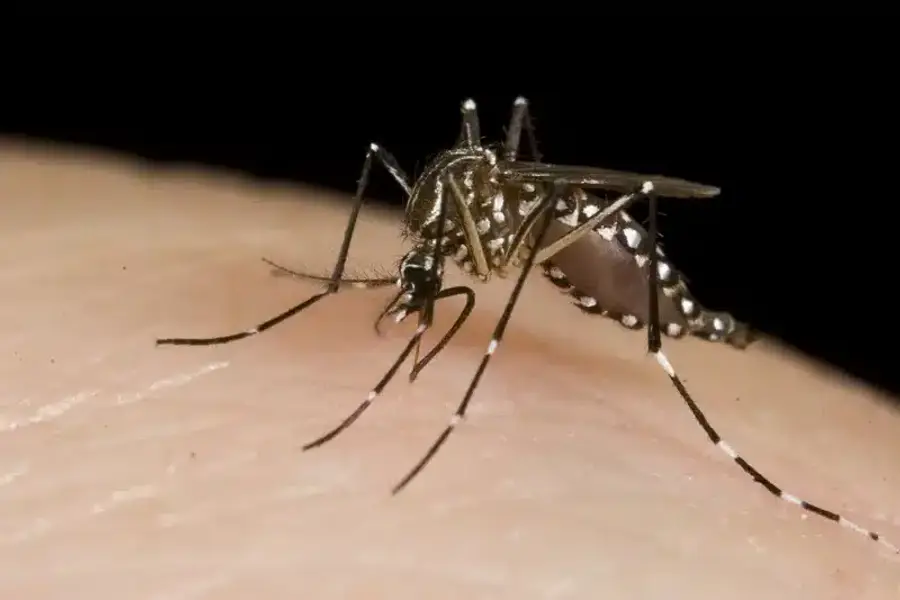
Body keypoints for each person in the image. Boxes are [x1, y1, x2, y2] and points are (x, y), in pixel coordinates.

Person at [2, 138, 897, 598]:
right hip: (507, 220)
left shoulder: (469, 224)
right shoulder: (430, 214)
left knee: (592, 197)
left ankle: (671, 339)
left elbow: (506, 220)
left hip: (589, 235)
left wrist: (483, 355)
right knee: (396, 158)